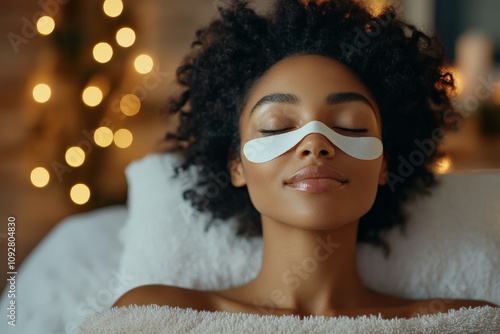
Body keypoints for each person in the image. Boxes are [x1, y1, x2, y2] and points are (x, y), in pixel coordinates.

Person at [114, 0, 496, 318]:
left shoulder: (463, 322)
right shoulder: (158, 316)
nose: (315, 144)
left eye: (350, 126)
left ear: (384, 165)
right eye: (277, 127)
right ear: (236, 164)